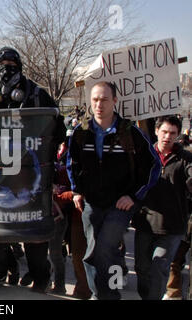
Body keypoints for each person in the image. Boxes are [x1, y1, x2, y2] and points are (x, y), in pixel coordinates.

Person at [0, 47, 66, 293]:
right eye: (2, 63)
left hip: (33, 177)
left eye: (11, 63)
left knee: (34, 236)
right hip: (0, 178)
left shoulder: (38, 95)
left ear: (19, 66)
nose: (6, 68)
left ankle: (41, 278)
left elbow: (57, 130)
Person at [66, 81, 161, 300]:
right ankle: (99, 293)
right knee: (91, 253)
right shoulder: (81, 131)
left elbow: (154, 166)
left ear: (115, 101)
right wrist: (77, 191)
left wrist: (134, 196)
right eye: (95, 99)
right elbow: (72, 163)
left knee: (105, 248)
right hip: (91, 201)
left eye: (104, 99)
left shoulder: (130, 132)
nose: (99, 104)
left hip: (119, 203)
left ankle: (107, 295)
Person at [131, 116, 192, 300]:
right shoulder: (144, 156)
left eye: (173, 133)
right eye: (164, 132)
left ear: (178, 135)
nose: (167, 137)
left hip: (172, 228)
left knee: (159, 267)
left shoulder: (185, 159)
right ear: (156, 131)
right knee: (142, 268)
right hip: (145, 223)